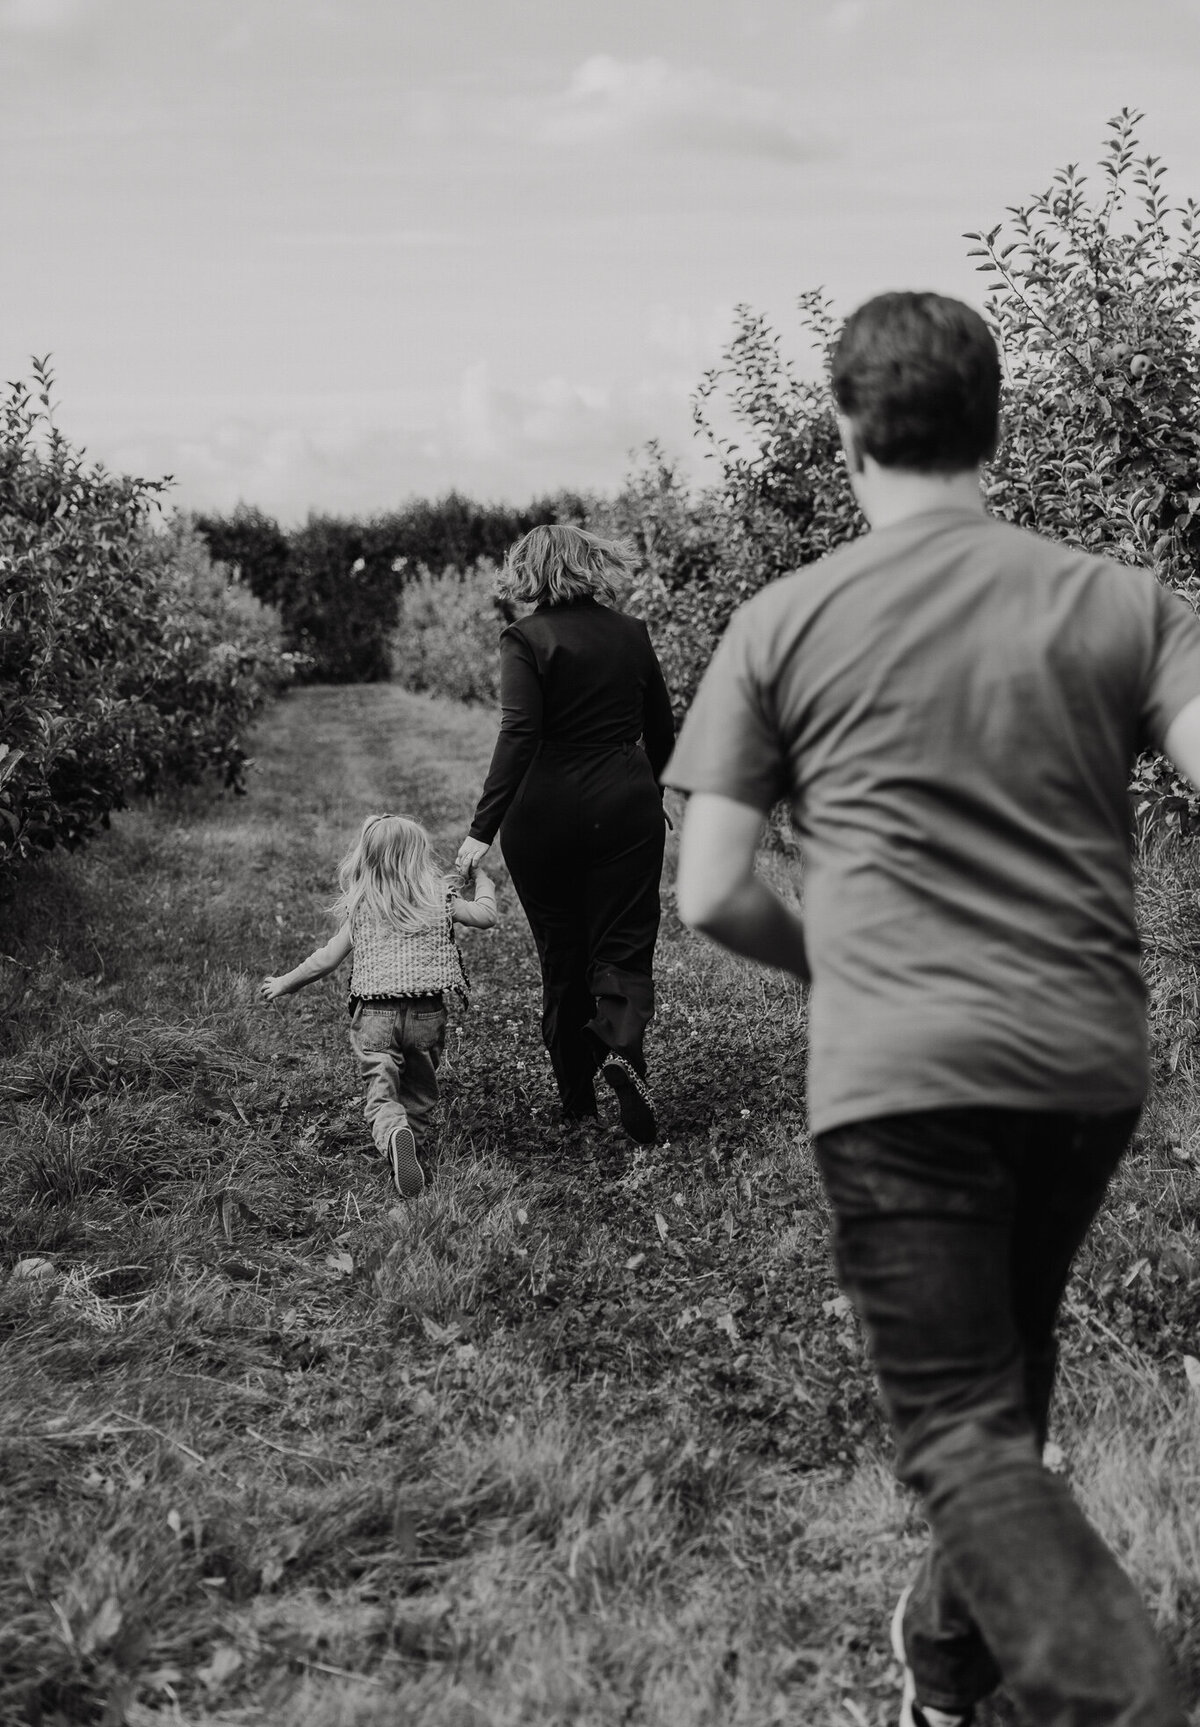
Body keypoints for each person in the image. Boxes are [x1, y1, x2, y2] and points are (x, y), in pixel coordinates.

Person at [665, 292, 1196, 1727]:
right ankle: (949, 1663)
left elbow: (709, 890)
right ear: (994, 425)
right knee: (1008, 1363)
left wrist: (840, 964)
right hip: (1084, 1059)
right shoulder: (1121, 599)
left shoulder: (784, 619)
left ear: (846, 431)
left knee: (961, 1420)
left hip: (900, 1071)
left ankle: (1121, 1700)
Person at [456, 523, 675, 1142]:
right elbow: (661, 729)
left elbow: (520, 732)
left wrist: (481, 830)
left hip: (542, 814)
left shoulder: (525, 638)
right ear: (589, 564)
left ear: (529, 572)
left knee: (562, 957)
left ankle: (578, 1104)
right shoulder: (631, 633)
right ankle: (622, 1051)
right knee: (623, 944)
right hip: (624, 805)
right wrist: (652, 793)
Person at [261, 812, 497, 1197]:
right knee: (419, 1089)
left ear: (367, 859)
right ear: (418, 857)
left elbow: (326, 960)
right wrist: (483, 879)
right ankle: (411, 1144)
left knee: (381, 1089)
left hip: (375, 1015)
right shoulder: (440, 898)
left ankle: (393, 1132)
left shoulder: (363, 905)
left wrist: (284, 983)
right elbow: (486, 915)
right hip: (426, 1013)